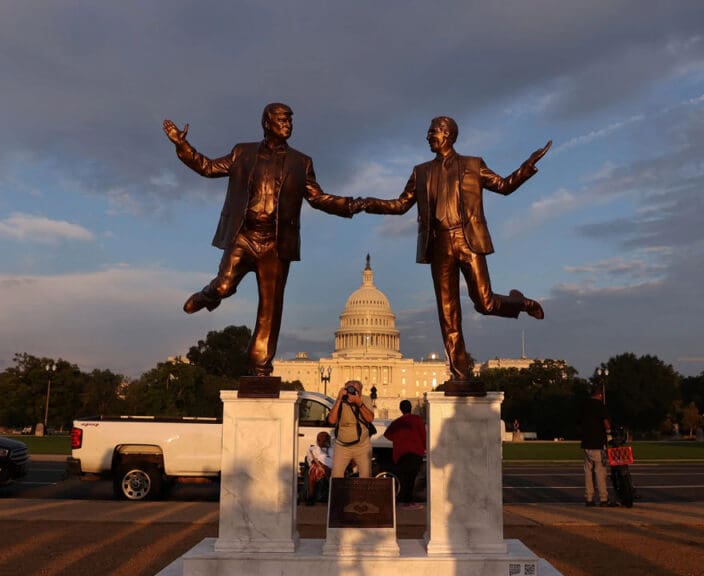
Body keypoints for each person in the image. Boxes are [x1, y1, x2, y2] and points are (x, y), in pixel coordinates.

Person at [163, 103, 360, 377]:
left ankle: (260, 366)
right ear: (267, 123)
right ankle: (209, 296)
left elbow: (317, 198)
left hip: (276, 244)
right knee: (224, 285)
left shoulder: (301, 162)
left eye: (290, 120)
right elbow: (208, 167)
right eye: (282, 120)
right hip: (244, 236)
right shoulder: (242, 152)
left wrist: (351, 204)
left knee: (270, 308)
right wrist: (182, 145)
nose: (288, 125)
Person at [361, 116, 551, 381]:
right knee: (448, 314)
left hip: (467, 239)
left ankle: (520, 302)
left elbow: (503, 186)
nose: (428, 136)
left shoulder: (473, 165)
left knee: (484, 303)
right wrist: (368, 203)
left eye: (433, 132)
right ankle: (460, 374)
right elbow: (401, 205)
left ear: (447, 134)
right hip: (438, 244)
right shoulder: (421, 172)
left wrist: (527, 166)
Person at [326, 380, 375, 481]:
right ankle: (337, 492)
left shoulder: (365, 399)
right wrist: (339, 399)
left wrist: (358, 402)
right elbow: (331, 420)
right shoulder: (341, 400)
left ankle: (362, 492)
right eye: (350, 389)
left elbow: (370, 418)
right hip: (342, 446)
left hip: (362, 446)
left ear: (360, 391)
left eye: (356, 390)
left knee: (365, 477)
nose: (352, 392)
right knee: (336, 477)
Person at [384, 399, 426, 509]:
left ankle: (405, 501)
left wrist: (398, 439)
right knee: (411, 477)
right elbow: (423, 435)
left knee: (405, 478)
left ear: (400, 409)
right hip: (415, 452)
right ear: (410, 408)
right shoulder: (417, 420)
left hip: (401, 453)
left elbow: (387, 435)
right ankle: (408, 502)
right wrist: (424, 447)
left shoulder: (397, 422)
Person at [579, 388, 615, 507]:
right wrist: (609, 432)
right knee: (600, 471)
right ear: (599, 395)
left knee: (588, 472)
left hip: (586, 442)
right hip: (598, 443)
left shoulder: (584, 405)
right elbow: (606, 422)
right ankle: (603, 498)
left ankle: (589, 498)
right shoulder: (600, 405)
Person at [305, 431, 333, 506]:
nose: (323, 440)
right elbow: (312, 460)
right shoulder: (312, 449)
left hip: (331, 468)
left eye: (325, 438)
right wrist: (321, 465)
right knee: (314, 469)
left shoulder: (333, 449)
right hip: (317, 467)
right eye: (320, 439)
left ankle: (330, 495)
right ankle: (310, 496)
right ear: (317, 440)